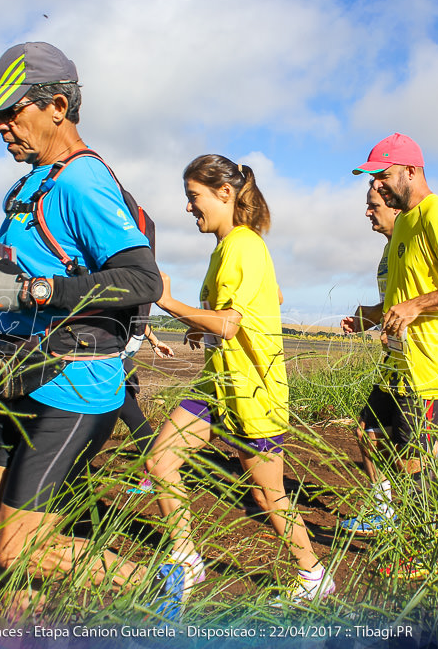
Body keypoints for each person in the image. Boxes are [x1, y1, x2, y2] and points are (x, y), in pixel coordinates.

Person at [0, 42, 181, 614]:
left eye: (10, 112)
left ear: (57, 105)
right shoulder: (33, 183)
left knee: (18, 545)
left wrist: (33, 291)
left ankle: (161, 587)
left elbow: (142, 281)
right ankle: (18, 628)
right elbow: (48, 271)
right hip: (23, 375)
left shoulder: (81, 182)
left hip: (76, 386)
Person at [146, 155, 335, 605]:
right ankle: (187, 560)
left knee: (268, 497)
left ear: (225, 193)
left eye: (194, 198)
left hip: (253, 391)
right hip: (217, 385)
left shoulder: (244, 245)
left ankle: (313, 577)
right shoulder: (227, 248)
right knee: (160, 462)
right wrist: (201, 323)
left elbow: (230, 324)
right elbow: (270, 296)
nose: (189, 208)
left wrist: (170, 304)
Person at [340, 133, 438, 546]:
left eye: (384, 176)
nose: (378, 186)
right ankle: (400, 509)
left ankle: (435, 542)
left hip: (432, 367)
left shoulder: (437, 216)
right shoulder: (405, 221)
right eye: (374, 178)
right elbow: (400, 299)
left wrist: (417, 307)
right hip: (398, 364)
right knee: (368, 432)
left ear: (410, 171)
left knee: (412, 460)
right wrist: (368, 318)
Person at [121, 324, 175, 495]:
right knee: (135, 420)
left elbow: (138, 320)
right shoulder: (135, 312)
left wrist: (154, 341)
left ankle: (153, 473)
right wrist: (155, 341)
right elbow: (139, 320)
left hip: (108, 374)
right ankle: (154, 473)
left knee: (135, 420)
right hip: (113, 372)